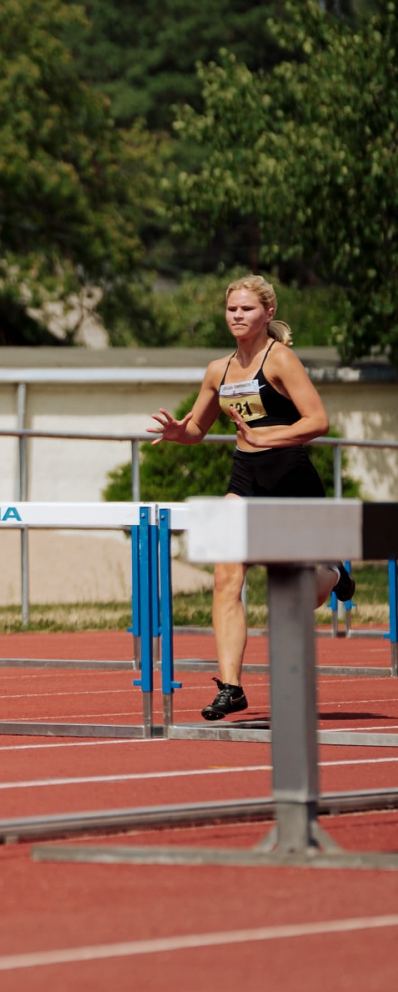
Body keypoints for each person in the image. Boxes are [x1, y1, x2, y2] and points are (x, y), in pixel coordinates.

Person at [145, 274, 354, 721]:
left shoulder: (280, 361)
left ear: (268, 314)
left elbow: (318, 421)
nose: (237, 316)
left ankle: (334, 575)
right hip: (245, 479)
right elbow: (198, 429)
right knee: (226, 577)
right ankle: (232, 686)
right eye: (231, 309)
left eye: (247, 309)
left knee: (299, 593)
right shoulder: (217, 370)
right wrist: (181, 433)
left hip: (290, 480)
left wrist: (268, 438)